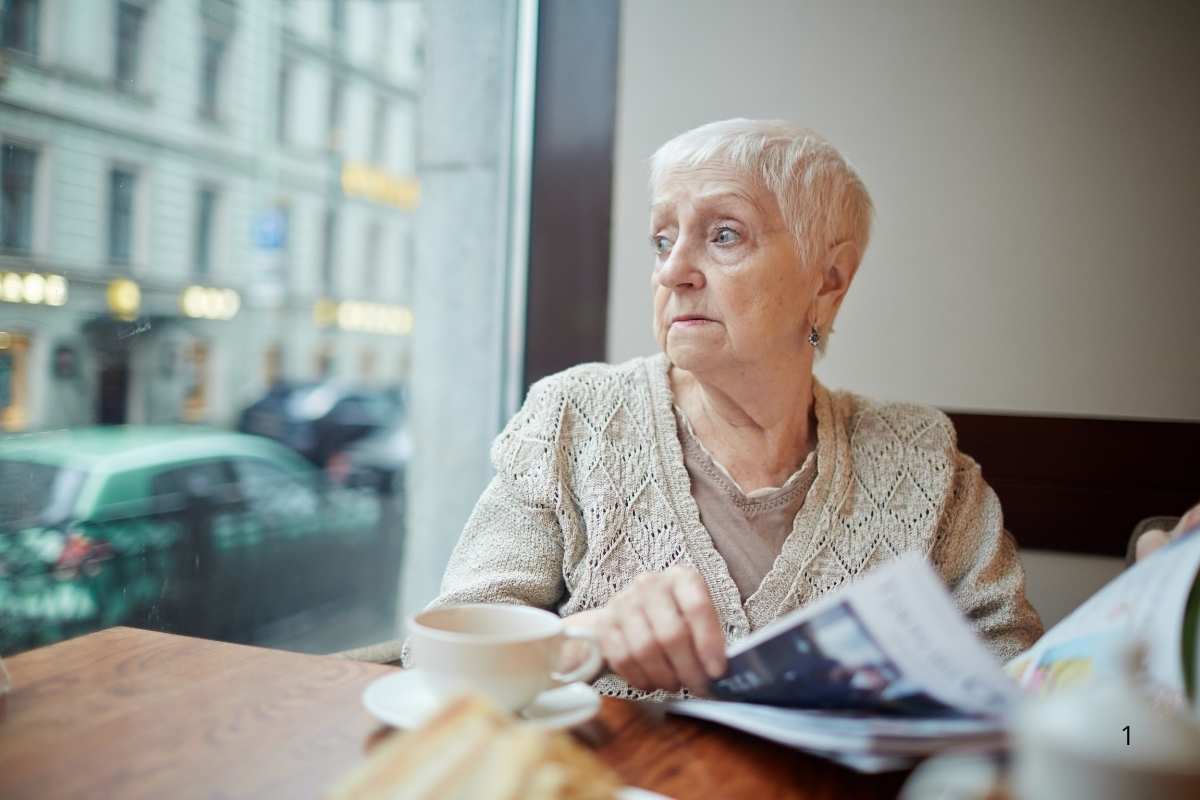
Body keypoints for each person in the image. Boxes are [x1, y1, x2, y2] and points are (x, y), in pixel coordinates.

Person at [421, 119, 1043, 698]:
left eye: (724, 235)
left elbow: (1019, 674)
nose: (673, 271)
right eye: (662, 239)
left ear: (829, 281)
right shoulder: (571, 418)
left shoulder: (922, 458)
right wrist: (589, 636)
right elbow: (445, 656)